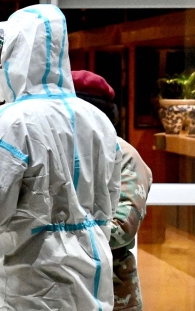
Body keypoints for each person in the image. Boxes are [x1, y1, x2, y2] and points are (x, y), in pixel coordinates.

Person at [0, 4, 121, 311]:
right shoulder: (97, 120)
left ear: (15, 55)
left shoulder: (13, 120)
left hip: (31, 287)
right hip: (93, 283)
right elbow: (109, 203)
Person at [72, 70, 153, 311]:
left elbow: (121, 230)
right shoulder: (58, 151)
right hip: (62, 291)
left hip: (113, 294)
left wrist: (55, 233)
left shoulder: (124, 155)